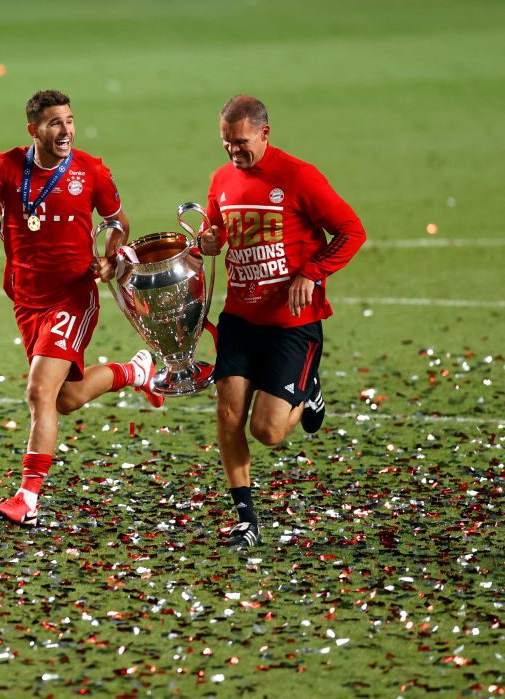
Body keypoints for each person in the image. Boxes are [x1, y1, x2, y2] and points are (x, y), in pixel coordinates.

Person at [0, 89, 164, 527]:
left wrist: (110, 254)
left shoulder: (91, 170)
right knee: (65, 399)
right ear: (34, 130)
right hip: (26, 299)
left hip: (72, 295)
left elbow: (118, 221)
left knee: (39, 392)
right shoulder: (7, 166)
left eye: (69, 120)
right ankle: (135, 371)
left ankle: (27, 498)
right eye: (54, 123)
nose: (65, 130)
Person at [199, 95, 367, 550]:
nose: (234, 152)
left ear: (265, 134)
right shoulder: (221, 180)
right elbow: (217, 232)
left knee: (268, 431)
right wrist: (210, 240)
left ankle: (309, 390)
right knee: (229, 415)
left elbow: (352, 231)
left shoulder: (298, 176)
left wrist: (312, 273)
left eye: (241, 142)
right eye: (226, 143)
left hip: (292, 324)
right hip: (239, 317)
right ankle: (246, 520)